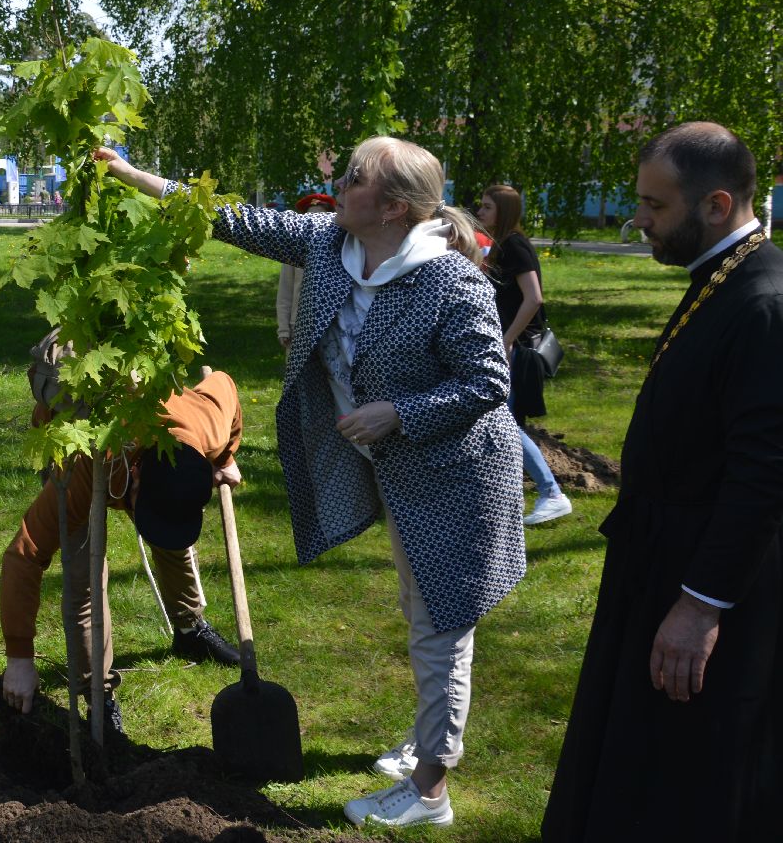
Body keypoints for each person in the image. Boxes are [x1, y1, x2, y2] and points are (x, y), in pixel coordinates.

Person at [97, 137, 524, 830]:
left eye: (354, 178)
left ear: (392, 207)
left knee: (441, 623)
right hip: (397, 471)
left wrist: (397, 413)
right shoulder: (330, 245)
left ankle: (430, 790)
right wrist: (133, 175)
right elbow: (232, 218)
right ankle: (427, 737)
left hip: (456, 475)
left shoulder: (451, 280)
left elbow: (487, 382)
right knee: (420, 609)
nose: (339, 185)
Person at [542, 122, 783, 841]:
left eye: (654, 205)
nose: (638, 219)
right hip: (661, 557)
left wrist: (700, 606)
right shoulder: (721, 276)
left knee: (688, 771)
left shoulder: (763, 301)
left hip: (705, 577)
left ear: (716, 204)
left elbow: (764, 474)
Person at [0, 365, 245, 735]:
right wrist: (19, 657)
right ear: (137, 479)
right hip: (77, 445)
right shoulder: (86, 466)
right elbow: (24, 554)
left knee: (173, 539)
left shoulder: (208, 426)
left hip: (145, 451)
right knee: (84, 578)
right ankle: (97, 694)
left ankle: (189, 628)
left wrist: (225, 457)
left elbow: (224, 383)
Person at [476, 186, 570, 526]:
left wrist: (507, 340)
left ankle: (552, 493)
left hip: (515, 348)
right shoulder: (500, 245)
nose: (480, 212)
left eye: (487, 207)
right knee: (503, 424)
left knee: (504, 424)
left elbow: (534, 298)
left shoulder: (515, 245)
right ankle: (507, 499)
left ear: (504, 211)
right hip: (506, 344)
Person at [276, 192, 335, 350]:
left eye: (320, 217)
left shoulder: (340, 249)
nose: (314, 223)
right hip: (299, 324)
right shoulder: (295, 250)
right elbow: (285, 290)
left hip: (332, 326)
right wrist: (284, 328)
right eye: (310, 218)